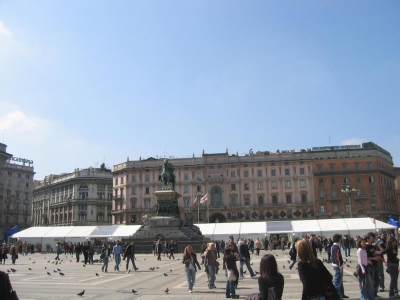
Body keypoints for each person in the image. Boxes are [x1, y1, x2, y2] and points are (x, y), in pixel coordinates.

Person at [331, 234, 348, 299]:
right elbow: (337, 258)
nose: (341, 239)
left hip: (335, 265)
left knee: (340, 281)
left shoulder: (334, 246)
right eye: (340, 238)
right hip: (337, 266)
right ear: (338, 239)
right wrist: (340, 266)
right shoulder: (336, 247)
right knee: (337, 281)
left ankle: (341, 294)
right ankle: (335, 295)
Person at [365, 232, 380, 299]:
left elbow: (375, 253)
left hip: (375, 264)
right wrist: (374, 258)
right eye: (371, 237)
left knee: (377, 280)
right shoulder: (366, 247)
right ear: (368, 239)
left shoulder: (373, 246)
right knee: (372, 281)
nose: (373, 238)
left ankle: (375, 294)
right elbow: (365, 257)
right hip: (370, 266)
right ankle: (371, 295)